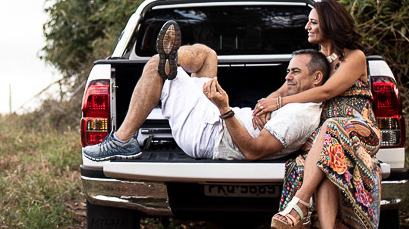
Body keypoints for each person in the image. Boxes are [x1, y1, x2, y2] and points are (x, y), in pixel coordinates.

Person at [252, 0, 381, 229]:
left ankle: (298, 204)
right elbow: (286, 88)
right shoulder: (318, 60)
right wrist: (265, 103)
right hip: (327, 138)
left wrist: (282, 104)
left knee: (331, 128)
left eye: (313, 21)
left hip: (359, 130)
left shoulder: (354, 57)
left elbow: (326, 92)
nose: (306, 26)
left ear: (330, 23)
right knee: (324, 162)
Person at [82, 20, 330, 163]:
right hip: (210, 120)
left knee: (154, 66)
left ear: (317, 78)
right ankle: (174, 59)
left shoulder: (299, 115)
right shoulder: (301, 98)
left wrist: (225, 109)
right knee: (208, 55)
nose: (288, 76)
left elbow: (253, 152)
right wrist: (269, 102)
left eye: (295, 72)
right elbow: (283, 90)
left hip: (207, 134)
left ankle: (123, 140)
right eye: (288, 70)